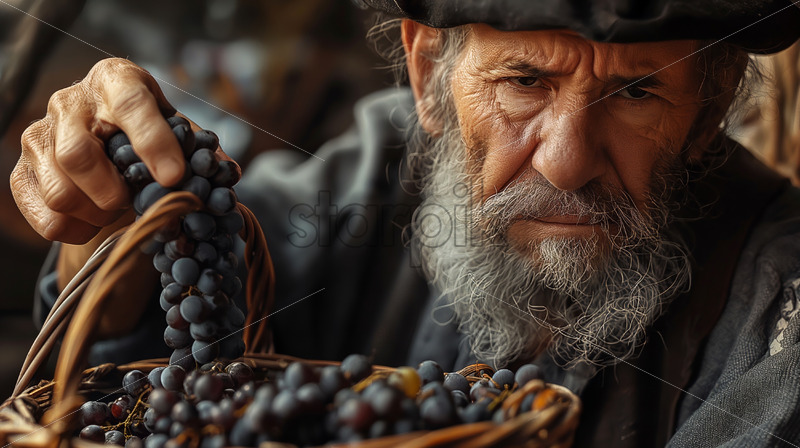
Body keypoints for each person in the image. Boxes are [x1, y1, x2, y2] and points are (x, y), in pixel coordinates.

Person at [11, 0, 800, 445]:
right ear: (429, 77)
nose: (566, 162)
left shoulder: (775, 308)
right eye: (524, 81)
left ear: (707, 117)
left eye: (636, 95)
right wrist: (102, 214)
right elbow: (159, 351)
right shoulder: (380, 166)